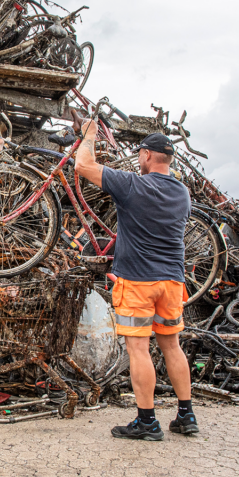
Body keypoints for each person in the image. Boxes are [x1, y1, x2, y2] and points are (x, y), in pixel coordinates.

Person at [74, 121, 198, 441]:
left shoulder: (132, 185)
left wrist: (88, 135)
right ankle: (186, 416)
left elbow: (83, 164)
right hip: (172, 281)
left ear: (145, 155)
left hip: (138, 282)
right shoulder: (182, 193)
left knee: (138, 350)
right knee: (172, 346)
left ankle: (147, 422)